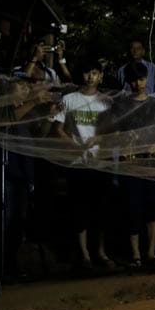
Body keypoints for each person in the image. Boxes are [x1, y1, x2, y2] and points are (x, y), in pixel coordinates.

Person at [51, 58, 114, 270]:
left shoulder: (107, 101)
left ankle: (101, 252)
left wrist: (98, 140)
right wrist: (73, 146)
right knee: (80, 209)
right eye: (87, 73)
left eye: (95, 73)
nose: (91, 77)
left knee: (102, 209)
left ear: (101, 76)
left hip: (100, 161)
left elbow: (113, 131)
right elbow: (57, 129)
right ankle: (84, 254)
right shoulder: (68, 99)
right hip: (76, 162)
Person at [107, 61, 155, 268]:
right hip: (131, 165)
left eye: (141, 79)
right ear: (127, 82)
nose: (138, 84)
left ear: (148, 79)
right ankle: (135, 254)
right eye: (133, 80)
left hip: (153, 164)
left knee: (154, 209)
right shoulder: (121, 106)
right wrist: (124, 144)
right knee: (133, 209)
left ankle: (150, 253)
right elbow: (113, 134)